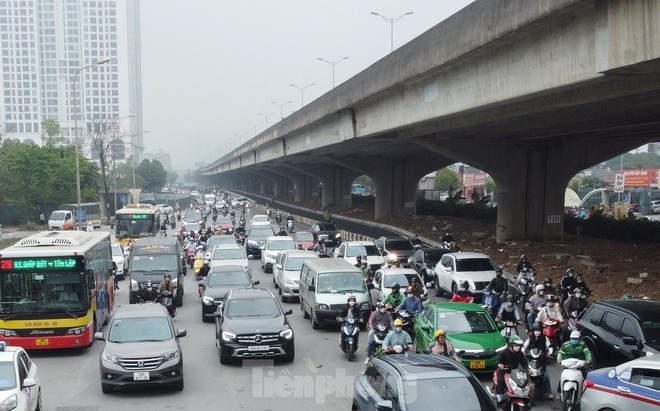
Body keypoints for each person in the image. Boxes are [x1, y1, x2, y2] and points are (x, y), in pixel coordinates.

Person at [523, 323, 554, 400]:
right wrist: (523, 351)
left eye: (539, 330)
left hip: (541, 360)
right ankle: (522, 390)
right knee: (525, 375)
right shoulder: (530, 338)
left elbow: (549, 346)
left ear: (541, 331)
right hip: (531, 360)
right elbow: (524, 346)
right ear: (533, 331)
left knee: (546, 376)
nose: (537, 332)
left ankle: (549, 392)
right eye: (536, 330)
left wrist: (550, 352)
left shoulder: (545, 338)